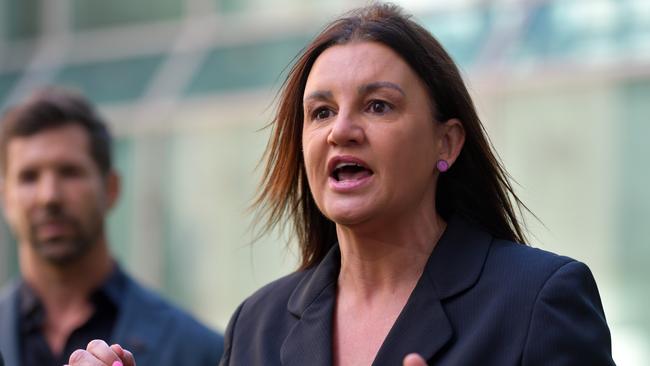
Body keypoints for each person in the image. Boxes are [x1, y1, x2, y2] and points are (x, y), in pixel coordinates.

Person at [69, 3, 615, 366]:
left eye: (378, 106)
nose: (342, 131)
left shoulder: (539, 300)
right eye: (321, 112)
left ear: (446, 144)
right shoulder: (257, 327)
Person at [0, 87, 224, 366]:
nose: (49, 196)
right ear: (6, 198)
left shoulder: (204, 352)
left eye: (69, 172)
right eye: (29, 177)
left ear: (111, 188)